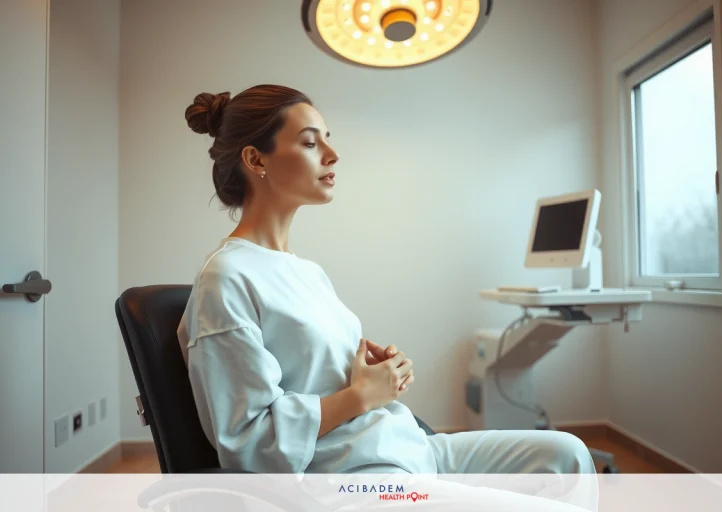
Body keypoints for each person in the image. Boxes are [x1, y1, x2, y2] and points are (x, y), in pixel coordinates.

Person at [177, 84, 598, 510]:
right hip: (351, 478)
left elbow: (316, 372)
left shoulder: (306, 270)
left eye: (327, 137)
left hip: (404, 446)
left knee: (566, 454)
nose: (331, 153)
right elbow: (247, 442)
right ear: (255, 159)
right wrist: (361, 395)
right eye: (310, 141)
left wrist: (379, 373)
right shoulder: (226, 278)